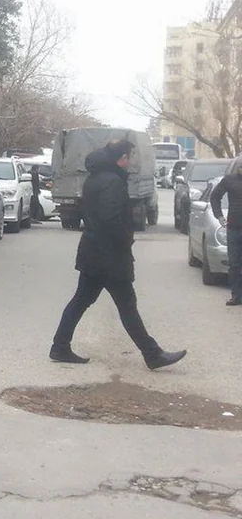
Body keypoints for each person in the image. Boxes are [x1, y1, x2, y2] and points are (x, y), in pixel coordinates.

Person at [50, 140, 186, 369]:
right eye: (130, 156)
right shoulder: (113, 181)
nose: (131, 161)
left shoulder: (95, 177)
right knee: (126, 305)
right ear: (122, 158)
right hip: (109, 255)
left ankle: (60, 346)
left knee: (81, 300)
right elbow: (110, 218)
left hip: (93, 251)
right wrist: (126, 239)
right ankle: (152, 354)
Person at [209, 156, 242, 307]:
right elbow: (215, 197)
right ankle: (236, 296)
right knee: (234, 264)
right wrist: (219, 216)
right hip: (234, 228)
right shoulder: (229, 180)